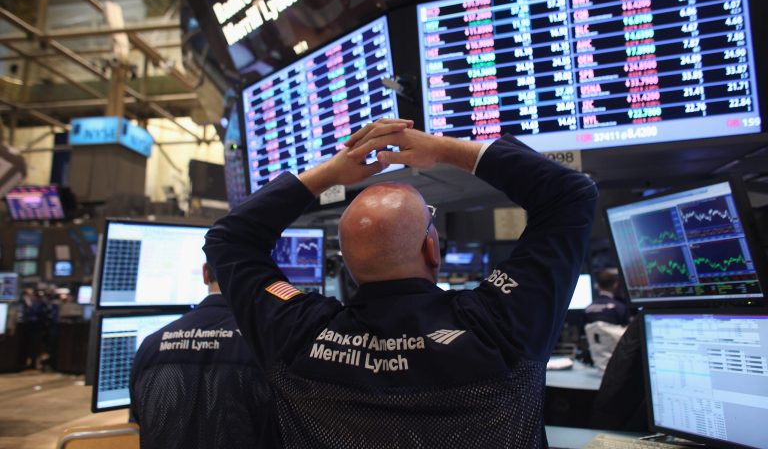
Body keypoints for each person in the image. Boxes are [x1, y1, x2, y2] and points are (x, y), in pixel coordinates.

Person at [204, 119, 598, 447]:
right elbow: (570, 194)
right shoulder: (499, 324)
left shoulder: (299, 334)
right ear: (432, 248)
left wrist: (330, 172)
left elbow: (228, 239)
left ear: (348, 266)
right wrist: (443, 150)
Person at [130, 262, 278, 449]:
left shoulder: (150, 345)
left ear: (205, 274)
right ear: (255, 276)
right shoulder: (267, 345)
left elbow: (141, 419)